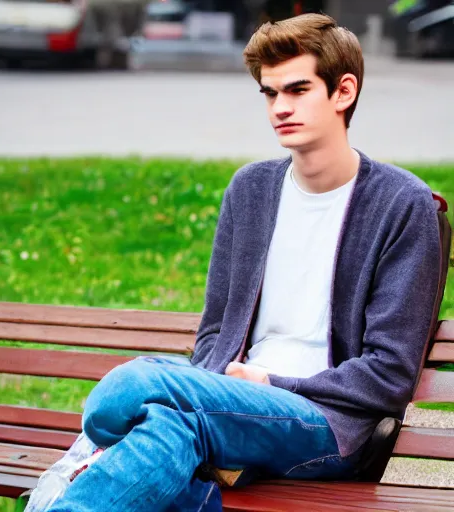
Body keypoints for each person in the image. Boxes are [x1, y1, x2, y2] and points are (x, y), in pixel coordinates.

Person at [46, 13, 441, 512]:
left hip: (324, 424)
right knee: (171, 426)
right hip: (223, 404)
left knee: (134, 387)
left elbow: (388, 374)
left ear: (343, 92)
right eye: (270, 94)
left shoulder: (401, 204)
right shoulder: (250, 190)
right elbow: (214, 332)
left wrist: (272, 384)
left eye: (297, 90)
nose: (280, 108)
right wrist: (217, 390)